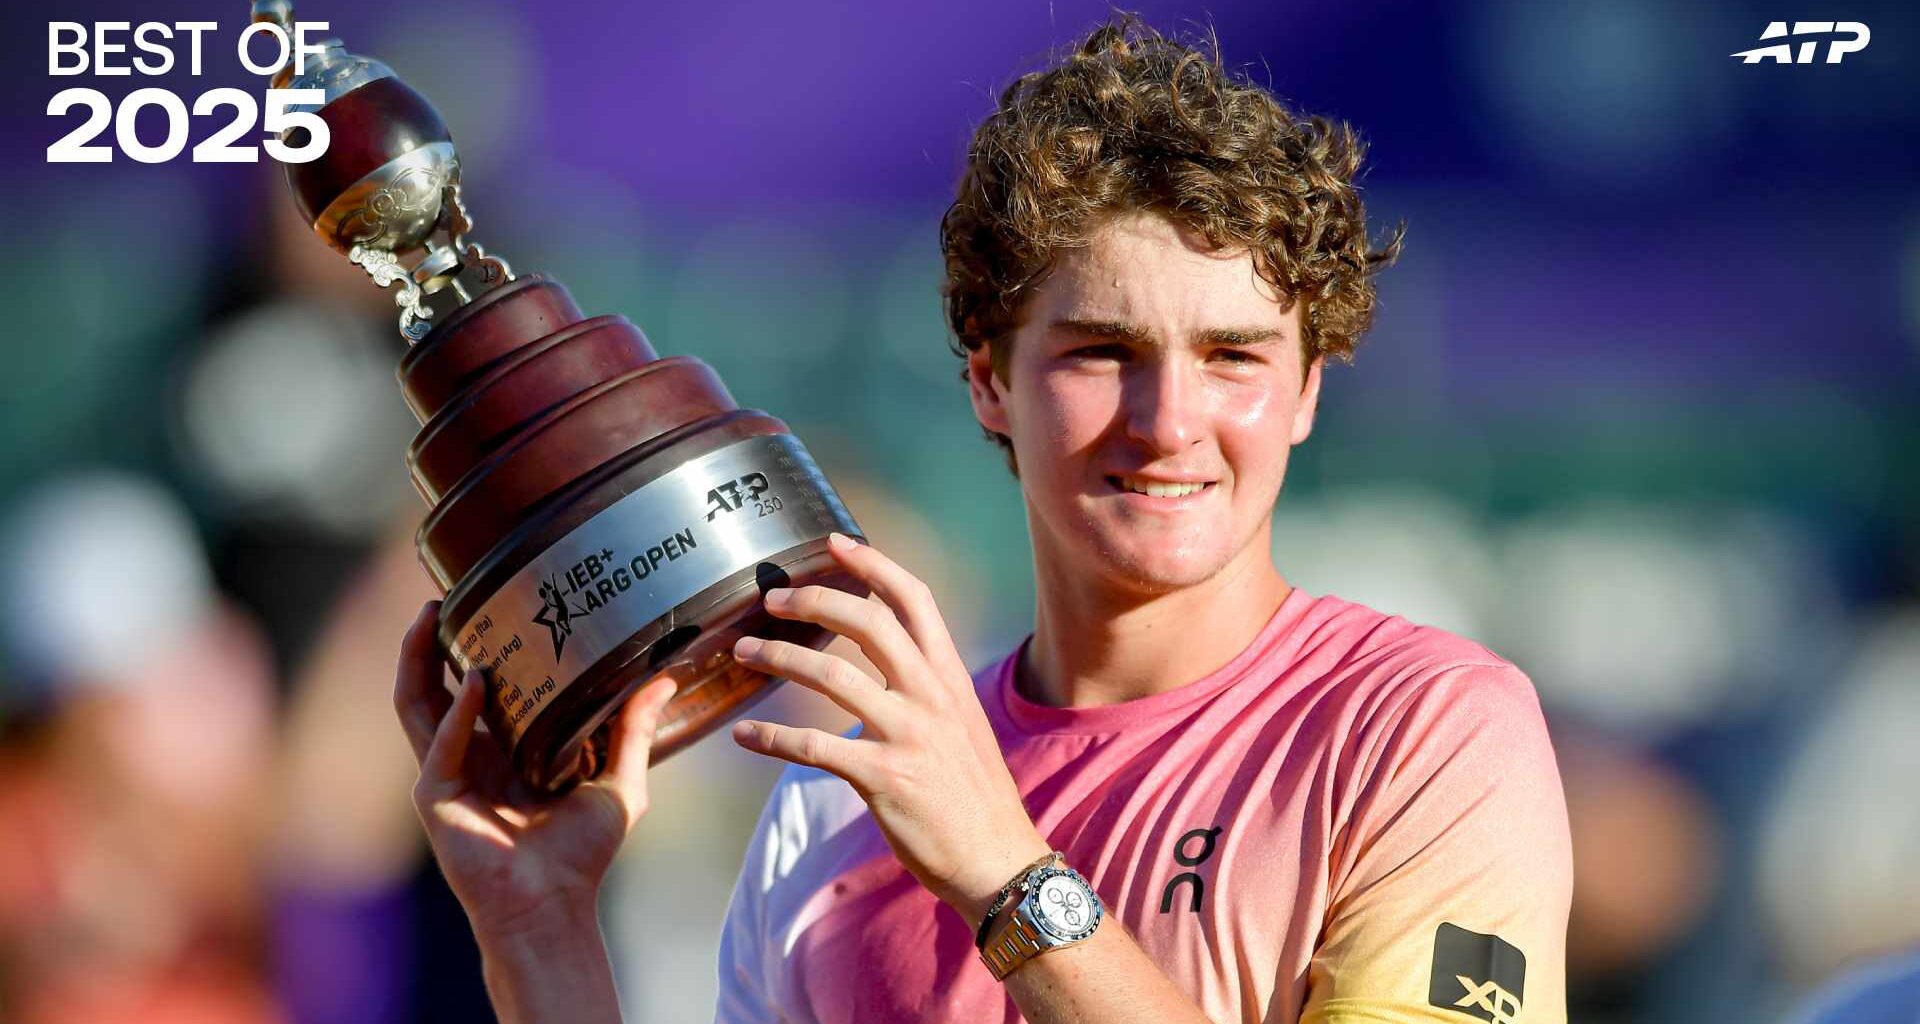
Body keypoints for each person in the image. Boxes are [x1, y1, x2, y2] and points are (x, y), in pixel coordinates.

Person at [392, 15, 1572, 1024]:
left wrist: (1006, 874)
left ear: (1308, 389)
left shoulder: (1424, 731)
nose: (1170, 422)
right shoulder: (831, 809)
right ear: (989, 382)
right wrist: (539, 933)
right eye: (1102, 352)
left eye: (1233, 357)